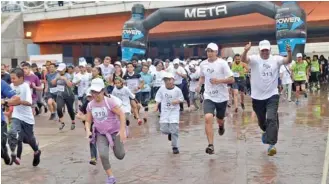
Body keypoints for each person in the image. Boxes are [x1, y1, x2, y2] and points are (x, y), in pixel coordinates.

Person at [241, 40, 292, 156]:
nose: (265, 52)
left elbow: (288, 61)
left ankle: (272, 145)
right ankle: (266, 132)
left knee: (271, 119)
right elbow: (244, 60)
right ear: (260, 50)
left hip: (272, 95)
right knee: (262, 122)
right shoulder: (254, 59)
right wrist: (245, 50)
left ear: (270, 50)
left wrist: (289, 53)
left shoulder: (276, 59)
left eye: (267, 50)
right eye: (263, 50)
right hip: (257, 97)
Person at [85, 78, 126, 184]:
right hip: (100, 134)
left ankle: (117, 146)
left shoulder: (109, 102)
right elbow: (88, 121)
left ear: (103, 91)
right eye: (93, 92)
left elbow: (121, 114)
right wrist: (88, 131)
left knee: (120, 155)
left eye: (97, 92)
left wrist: (122, 131)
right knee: (103, 155)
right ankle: (111, 177)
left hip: (114, 132)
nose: (95, 95)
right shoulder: (90, 105)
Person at [196, 43, 234, 155]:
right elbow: (202, 76)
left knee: (219, 119)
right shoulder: (203, 64)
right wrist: (199, 85)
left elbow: (231, 79)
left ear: (216, 52)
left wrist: (219, 81)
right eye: (208, 51)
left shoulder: (222, 64)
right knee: (208, 117)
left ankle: (221, 126)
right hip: (209, 96)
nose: (209, 53)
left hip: (222, 97)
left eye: (212, 51)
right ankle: (211, 145)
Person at [7, 68, 42, 166]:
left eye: (14, 78)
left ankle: (37, 151)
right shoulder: (11, 86)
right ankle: (17, 157)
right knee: (16, 135)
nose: (12, 81)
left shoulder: (25, 86)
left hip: (27, 118)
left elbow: (29, 103)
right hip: (16, 116)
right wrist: (6, 103)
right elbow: (9, 100)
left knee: (29, 139)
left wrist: (19, 102)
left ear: (21, 78)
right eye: (11, 78)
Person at [154, 72, 184, 154]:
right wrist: (156, 106)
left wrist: (177, 101)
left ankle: (175, 146)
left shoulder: (177, 90)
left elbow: (181, 99)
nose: (168, 82)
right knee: (164, 130)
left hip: (174, 112)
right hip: (165, 111)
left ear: (173, 80)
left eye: (169, 80)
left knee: (174, 130)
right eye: (166, 80)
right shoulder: (162, 89)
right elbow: (158, 98)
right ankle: (170, 133)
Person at [75, 88, 98, 165]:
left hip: (100, 125)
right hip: (89, 125)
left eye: (91, 96)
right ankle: (93, 157)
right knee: (92, 140)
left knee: (100, 140)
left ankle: (101, 155)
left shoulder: (99, 103)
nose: (89, 98)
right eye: (88, 97)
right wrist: (85, 117)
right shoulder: (86, 104)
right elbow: (78, 115)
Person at [1, 80, 20, 165]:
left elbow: (16, 99)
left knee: (1, 146)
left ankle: (4, 154)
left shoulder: (1, 83)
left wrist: (5, 102)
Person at [52, 63, 76, 130]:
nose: (60, 71)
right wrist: (56, 79)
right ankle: (62, 123)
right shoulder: (57, 75)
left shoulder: (68, 75)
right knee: (59, 108)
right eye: (59, 70)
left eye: (61, 70)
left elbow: (70, 85)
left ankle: (73, 122)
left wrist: (65, 79)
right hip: (60, 95)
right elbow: (53, 83)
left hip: (69, 95)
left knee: (70, 110)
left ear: (65, 69)